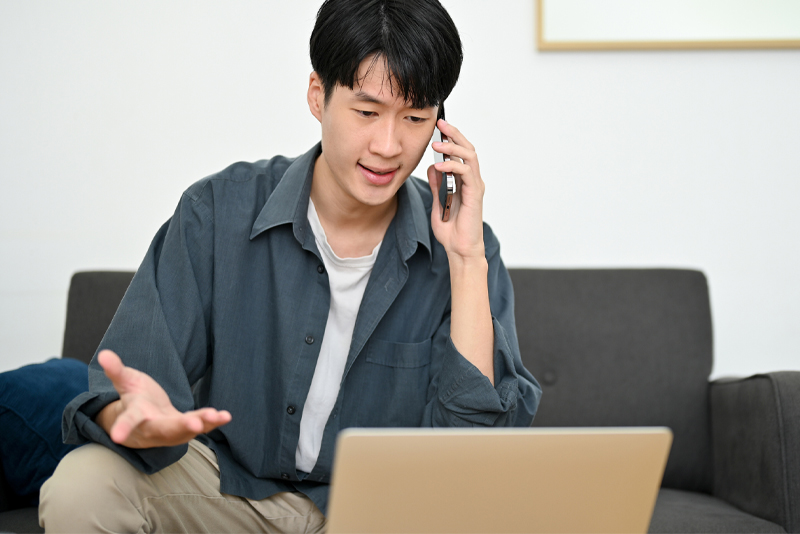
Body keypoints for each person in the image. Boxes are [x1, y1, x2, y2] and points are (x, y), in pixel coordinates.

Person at [39, 0, 541, 532]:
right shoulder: (218, 211)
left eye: (415, 119)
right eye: (367, 112)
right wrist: (131, 421)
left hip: (379, 513)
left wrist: (465, 260)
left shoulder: (464, 246)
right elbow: (128, 390)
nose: (389, 146)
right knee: (85, 484)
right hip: (231, 492)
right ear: (317, 95)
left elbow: (469, 460)